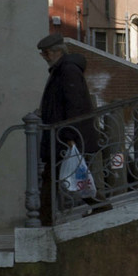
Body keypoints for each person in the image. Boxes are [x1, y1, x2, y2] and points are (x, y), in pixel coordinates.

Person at [36, 33, 101, 220]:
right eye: (43, 54)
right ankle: (45, 217)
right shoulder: (61, 69)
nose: (45, 57)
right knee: (60, 175)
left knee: (64, 175)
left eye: (46, 53)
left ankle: (45, 219)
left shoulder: (68, 70)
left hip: (66, 135)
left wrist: (69, 135)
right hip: (62, 133)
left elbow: (75, 104)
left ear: (58, 52)